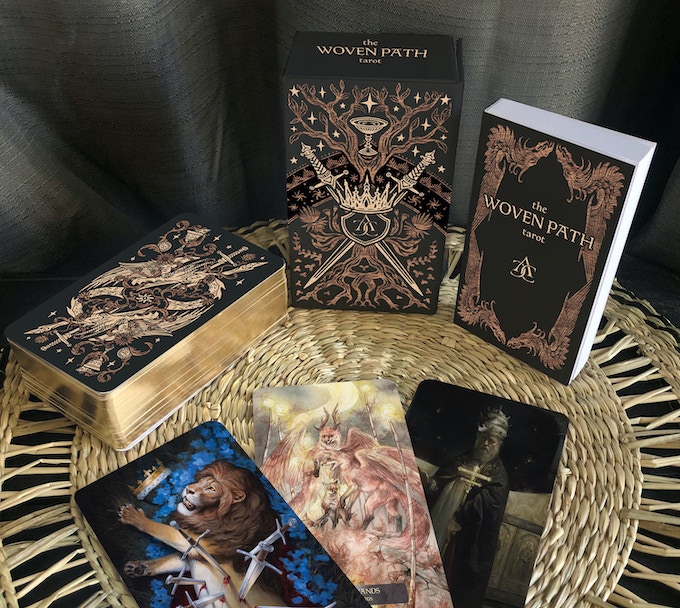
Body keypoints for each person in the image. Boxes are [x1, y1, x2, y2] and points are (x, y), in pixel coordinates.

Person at [422, 408, 510, 608]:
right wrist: (429, 483)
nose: (486, 443)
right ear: (477, 437)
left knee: (454, 578)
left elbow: (490, 502)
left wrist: (460, 518)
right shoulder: (461, 460)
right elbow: (440, 484)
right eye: (483, 438)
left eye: (491, 440)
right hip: (440, 521)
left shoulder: (499, 474)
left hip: (468, 536)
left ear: (499, 445)